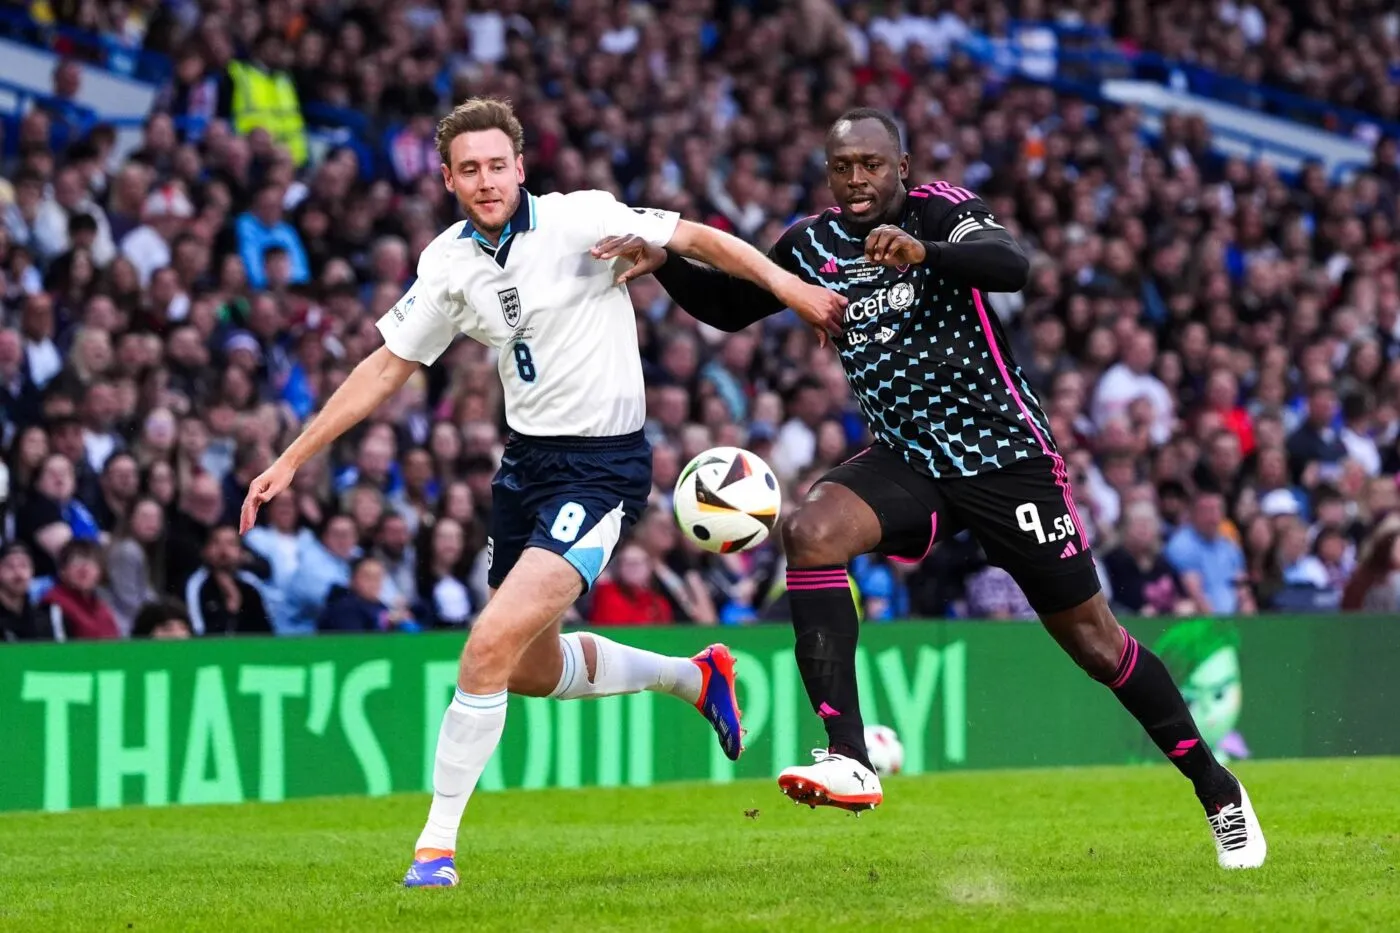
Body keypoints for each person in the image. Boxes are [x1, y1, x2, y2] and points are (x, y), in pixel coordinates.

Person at [608, 107, 1266, 869]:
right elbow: (730, 308)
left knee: (1095, 642)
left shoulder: (942, 210)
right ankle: (848, 754)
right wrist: (667, 265)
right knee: (812, 531)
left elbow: (1010, 265)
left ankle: (1218, 791)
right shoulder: (812, 244)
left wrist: (924, 252)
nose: (857, 179)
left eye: (872, 164)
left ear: (902, 167)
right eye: (843, 165)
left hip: (1005, 457)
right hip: (909, 460)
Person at [238, 97, 845, 889]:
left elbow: (698, 237)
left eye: (498, 165)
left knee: (485, 644)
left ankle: (435, 848)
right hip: (525, 469)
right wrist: (293, 456)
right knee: (525, 666)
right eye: (469, 170)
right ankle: (694, 676)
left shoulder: (579, 217)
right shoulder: (448, 264)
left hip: (603, 470)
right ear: (449, 180)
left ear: (520, 166)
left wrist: (794, 291)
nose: (486, 181)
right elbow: (386, 365)